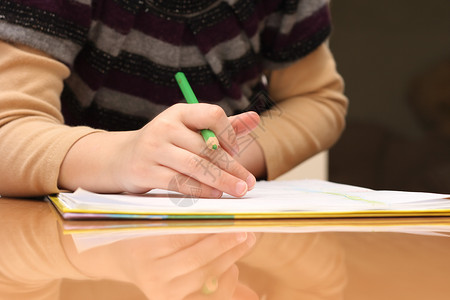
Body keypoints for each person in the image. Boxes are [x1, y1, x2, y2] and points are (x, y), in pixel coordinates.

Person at [0, 0, 348, 197]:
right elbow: (8, 128)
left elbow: (317, 98)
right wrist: (121, 158)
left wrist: (227, 157)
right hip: (66, 250)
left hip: (221, 239)